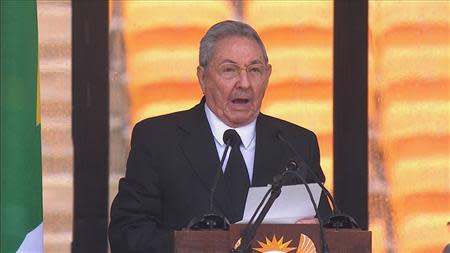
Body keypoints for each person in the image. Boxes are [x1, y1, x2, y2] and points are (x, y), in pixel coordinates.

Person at [109, 20, 330, 253]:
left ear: (268, 75)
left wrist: (318, 234)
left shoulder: (296, 144)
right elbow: (127, 234)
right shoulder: (158, 140)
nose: (244, 83)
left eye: (255, 70)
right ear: (202, 78)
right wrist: (191, 246)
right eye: (229, 70)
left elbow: (329, 229)